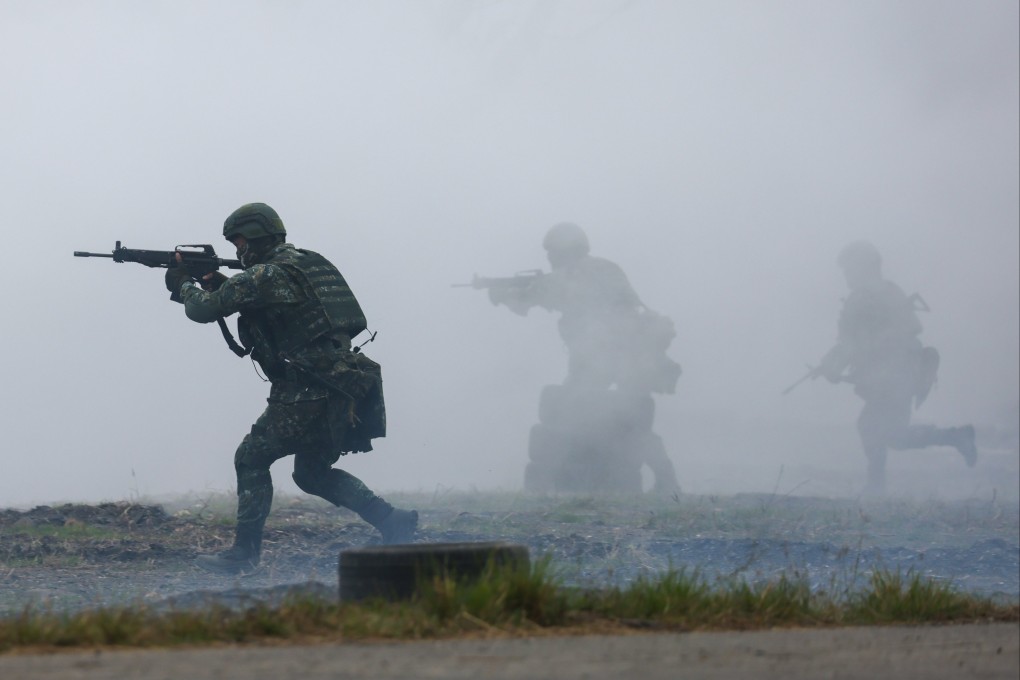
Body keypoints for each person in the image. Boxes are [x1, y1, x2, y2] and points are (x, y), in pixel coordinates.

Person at [164, 202, 418, 574]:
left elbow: (204, 310)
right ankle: (392, 520)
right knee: (311, 474)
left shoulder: (265, 275)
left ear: (254, 237)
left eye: (239, 243)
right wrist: (225, 286)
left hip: (307, 391)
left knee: (250, 458)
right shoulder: (307, 262)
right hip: (344, 383)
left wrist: (182, 283)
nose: (238, 251)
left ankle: (244, 555)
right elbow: (281, 307)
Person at [488, 222, 682, 493]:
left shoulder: (568, 276)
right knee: (635, 421)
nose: (549, 258)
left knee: (567, 410)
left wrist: (501, 295)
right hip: (635, 357)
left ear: (564, 250)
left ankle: (556, 479)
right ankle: (666, 477)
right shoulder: (608, 268)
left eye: (552, 252)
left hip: (599, 358)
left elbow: (525, 302)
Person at [817, 240, 977, 495]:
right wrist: (833, 363)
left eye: (849, 268)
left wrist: (837, 364)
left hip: (892, 375)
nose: (846, 274)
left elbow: (865, 339)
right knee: (892, 434)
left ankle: (876, 486)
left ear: (865, 267)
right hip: (898, 374)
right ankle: (955, 437)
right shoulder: (885, 292)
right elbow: (857, 341)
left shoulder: (870, 295)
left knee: (872, 427)